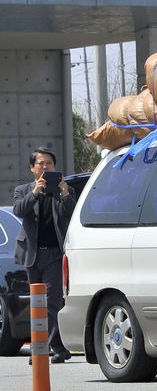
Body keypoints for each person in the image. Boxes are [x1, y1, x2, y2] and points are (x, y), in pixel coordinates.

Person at [13, 147, 76, 364]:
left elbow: (72, 212)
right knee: (36, 302)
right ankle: (54, 346)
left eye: (49, 163)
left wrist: (65, 193)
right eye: (40, 163)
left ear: (55, 167)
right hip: (32, 255)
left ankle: (45, 347)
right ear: (32, 168)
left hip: (55, 255)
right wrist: (36, 192)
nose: (44, 167)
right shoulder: (23, 190)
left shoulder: (63, 190)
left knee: (52, 301)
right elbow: (19, 211)